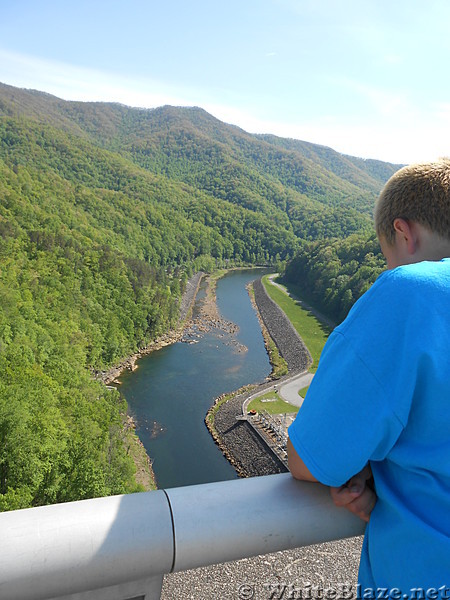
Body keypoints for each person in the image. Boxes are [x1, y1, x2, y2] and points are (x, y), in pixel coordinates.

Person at [287, 159, 450, 593]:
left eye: (387, 257)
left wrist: (368, 469)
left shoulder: (409, 292)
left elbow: (309, 459)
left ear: (404, 232)